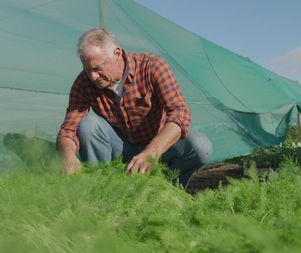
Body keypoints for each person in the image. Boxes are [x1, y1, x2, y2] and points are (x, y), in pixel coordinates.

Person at [56, 28, 212, 188]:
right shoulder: (84, 82)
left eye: (97, 68)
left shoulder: (151, 66)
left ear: (117, 54)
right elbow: (68, 130)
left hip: (160, 148)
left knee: (200, 146)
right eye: (87, 69)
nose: (92, 76)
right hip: (122, 150)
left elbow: (180, 112)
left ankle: (167, 191)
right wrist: (68, 155)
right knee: (88, 125)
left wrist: (151, 153)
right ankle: (102, 189)